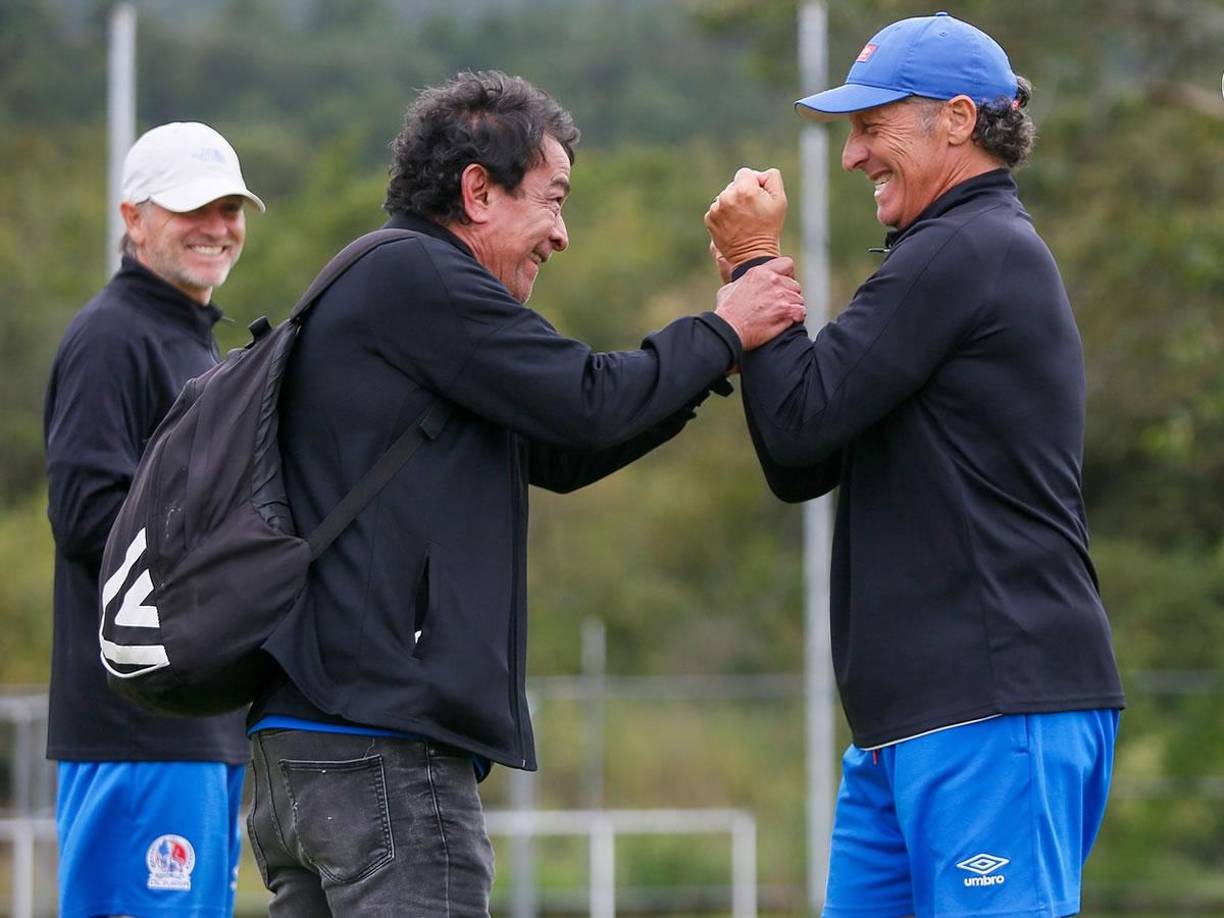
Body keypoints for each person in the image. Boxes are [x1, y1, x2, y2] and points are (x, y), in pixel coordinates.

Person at [243, 69, 804, 916]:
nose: (563, 235)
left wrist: (709, 361)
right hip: (383, 746)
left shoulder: (389, 295)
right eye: (553, 199)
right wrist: (724, 327)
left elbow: (564, 446)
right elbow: (587, 400)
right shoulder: (421, 278)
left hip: (307, 743)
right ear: (477, 191)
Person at [705, 13, 1125, 918]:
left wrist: (751, 263)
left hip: (994, 706)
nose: (853, 157)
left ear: (959, 119)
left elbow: (798, 431)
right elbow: (803, 451)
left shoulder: (965, 250)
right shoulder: (948, 256)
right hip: (914, 721)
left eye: (871, 127)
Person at [44, 121, 264, 918]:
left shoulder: (195, 346)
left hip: (198, 727)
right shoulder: (112, 338)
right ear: (132, 218)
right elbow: (84, 517)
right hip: (134, 727)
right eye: (190, 208)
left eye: (230, 207)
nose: (216, 227)